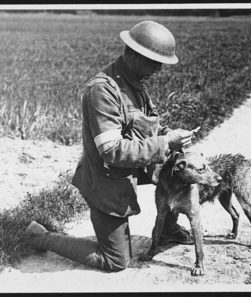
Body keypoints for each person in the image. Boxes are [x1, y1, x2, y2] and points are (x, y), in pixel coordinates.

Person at [26, 20, 194, 272]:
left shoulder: (135, 82)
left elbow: (146, 125)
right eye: (153, 61)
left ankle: (168, 229)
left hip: (131, 165)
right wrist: (162, 143)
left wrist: (169, 135)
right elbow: (112, 151)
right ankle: (40, 237)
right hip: (107, 178)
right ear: (131, 54)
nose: (159, 69)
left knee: (179, 169)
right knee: (115, 261)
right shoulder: (102, 90)